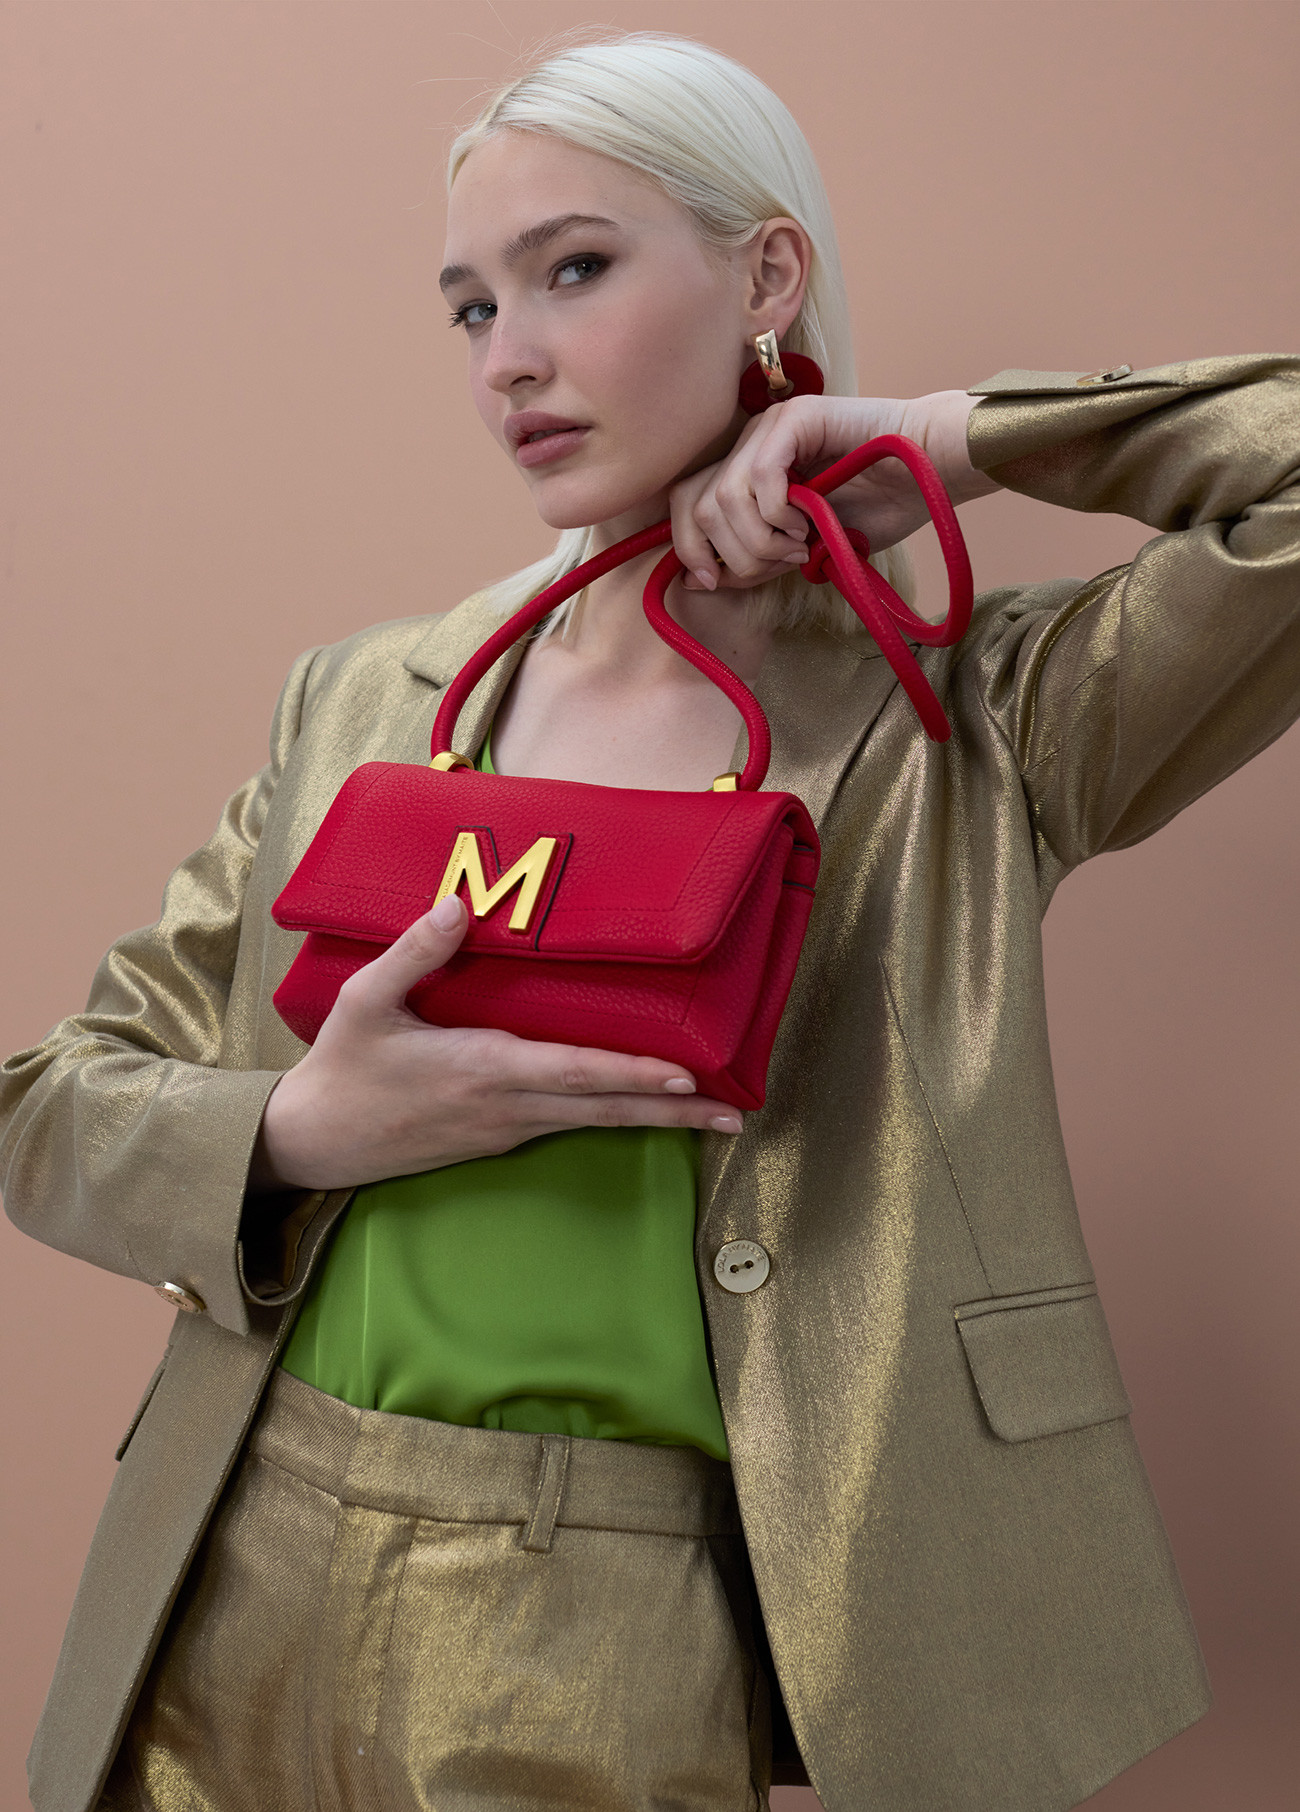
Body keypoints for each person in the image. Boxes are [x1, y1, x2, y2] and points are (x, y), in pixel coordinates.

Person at [3, 29, 1297, 1812]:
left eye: (575, 270)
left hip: (611, 1614)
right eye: (472, 308)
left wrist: (941, 441)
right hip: (235, 1558)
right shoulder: (367, 699)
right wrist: (302, 1128)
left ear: (768, 278)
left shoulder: (971, 715)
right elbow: (45, 1107)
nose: (509, 358)